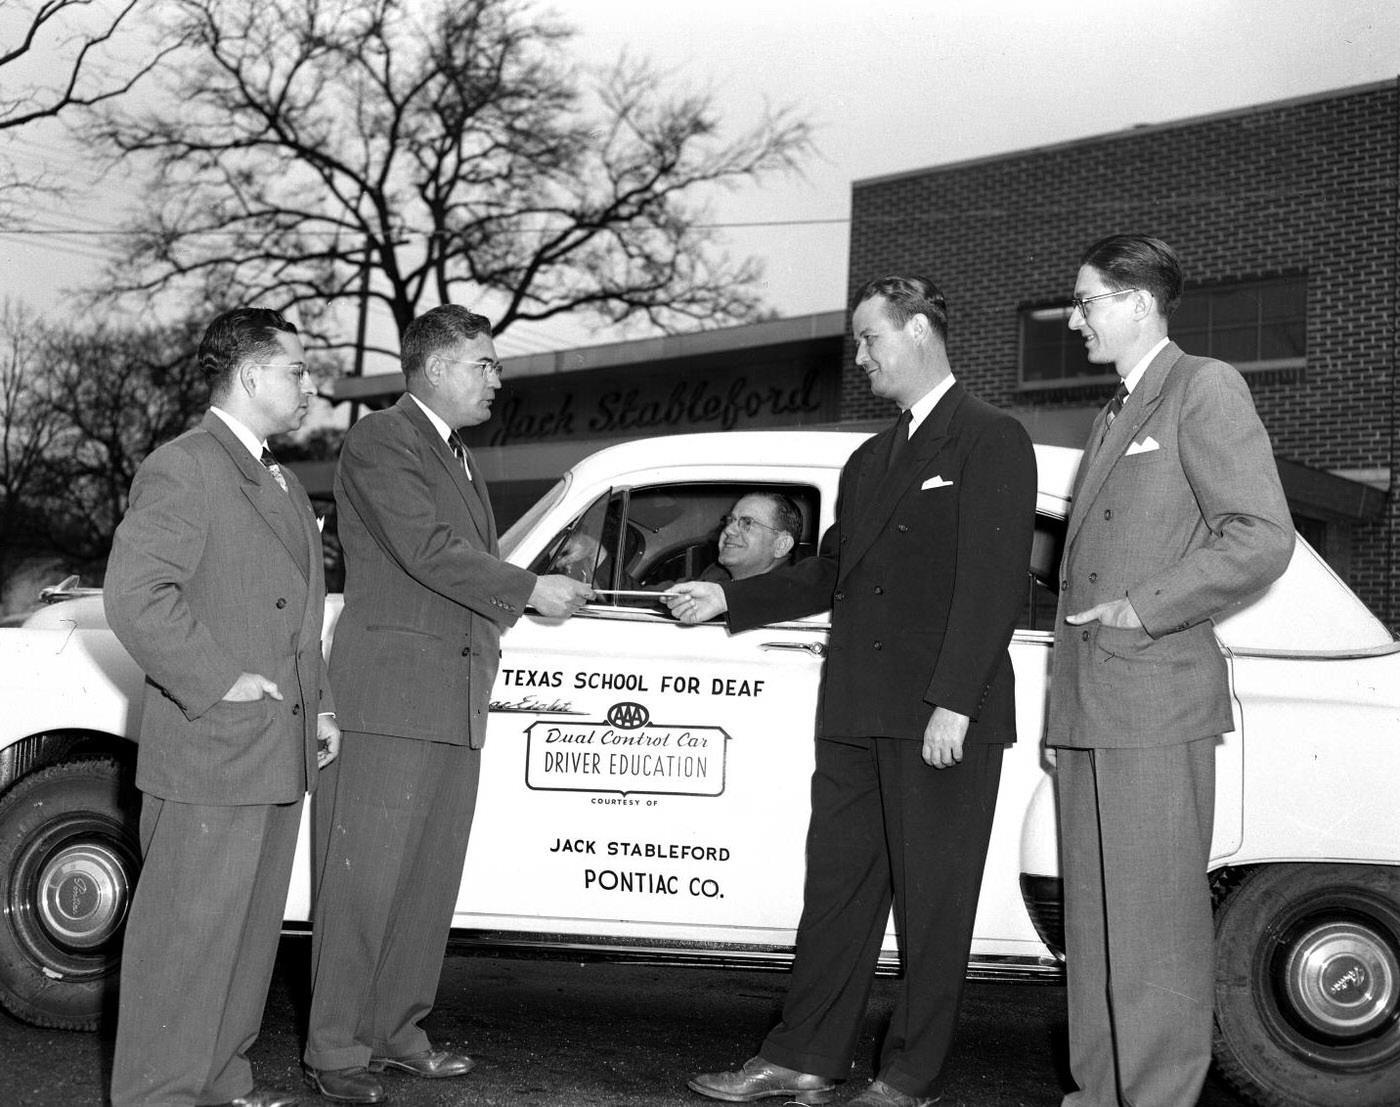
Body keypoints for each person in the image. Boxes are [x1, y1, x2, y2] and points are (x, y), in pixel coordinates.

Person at [670, 275, 1037, 1107]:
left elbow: (992, 586)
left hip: (943, 715)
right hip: (856, 711)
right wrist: (735, 596)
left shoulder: (991, 438)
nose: (862, 356)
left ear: (916, 331)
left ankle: (908, 1074)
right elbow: (835, 572)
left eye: (870, 339)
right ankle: (803, 1055)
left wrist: (956, 699)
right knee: (835, 894)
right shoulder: (870, 458)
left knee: (933, 907)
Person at [301, 304, 594, 1104]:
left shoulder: (456, 453)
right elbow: (425, 549)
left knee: (426, 883)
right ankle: (336, 1050)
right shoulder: (382, 438)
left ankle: (396, 1031)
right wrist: (530, 587)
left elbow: (458, 559)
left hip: (452, 696)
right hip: (390, 697)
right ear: (435, 367)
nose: (497, 377)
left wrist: (538, 572)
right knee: (361, 884)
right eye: (484, 363)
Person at [1048, 234, 1294, 1107]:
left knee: (1153, 933)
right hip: (1090, 709)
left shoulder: (1202, 386)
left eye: (1087, 301)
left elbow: (1262, 537)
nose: (1074, 317)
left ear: (1140, 302)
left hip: (1153, 701)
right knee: (1099, 933)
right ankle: (1098, 1095)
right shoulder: (1114, 410)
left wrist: (1143, 606)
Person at [105, 307, 338, 1107]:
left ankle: (218, 1082)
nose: (311, 385)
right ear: (248, 375)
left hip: (277, 744)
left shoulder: (277, 474)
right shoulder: (187, 465)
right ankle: (157, 1094)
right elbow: (135, 597)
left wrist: (323, 707)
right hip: (213, 742)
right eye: (297, 371)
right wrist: (217, 678)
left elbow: (301, 616)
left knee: (243, 938)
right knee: (185, 940)